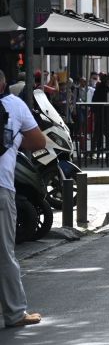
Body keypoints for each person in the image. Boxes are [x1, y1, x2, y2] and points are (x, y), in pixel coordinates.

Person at [0, 69, 46, 327]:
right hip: (2, 185)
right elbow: (39, 141)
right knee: (4, 253)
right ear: (4, 84)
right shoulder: (14, 105)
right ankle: (15, 313)